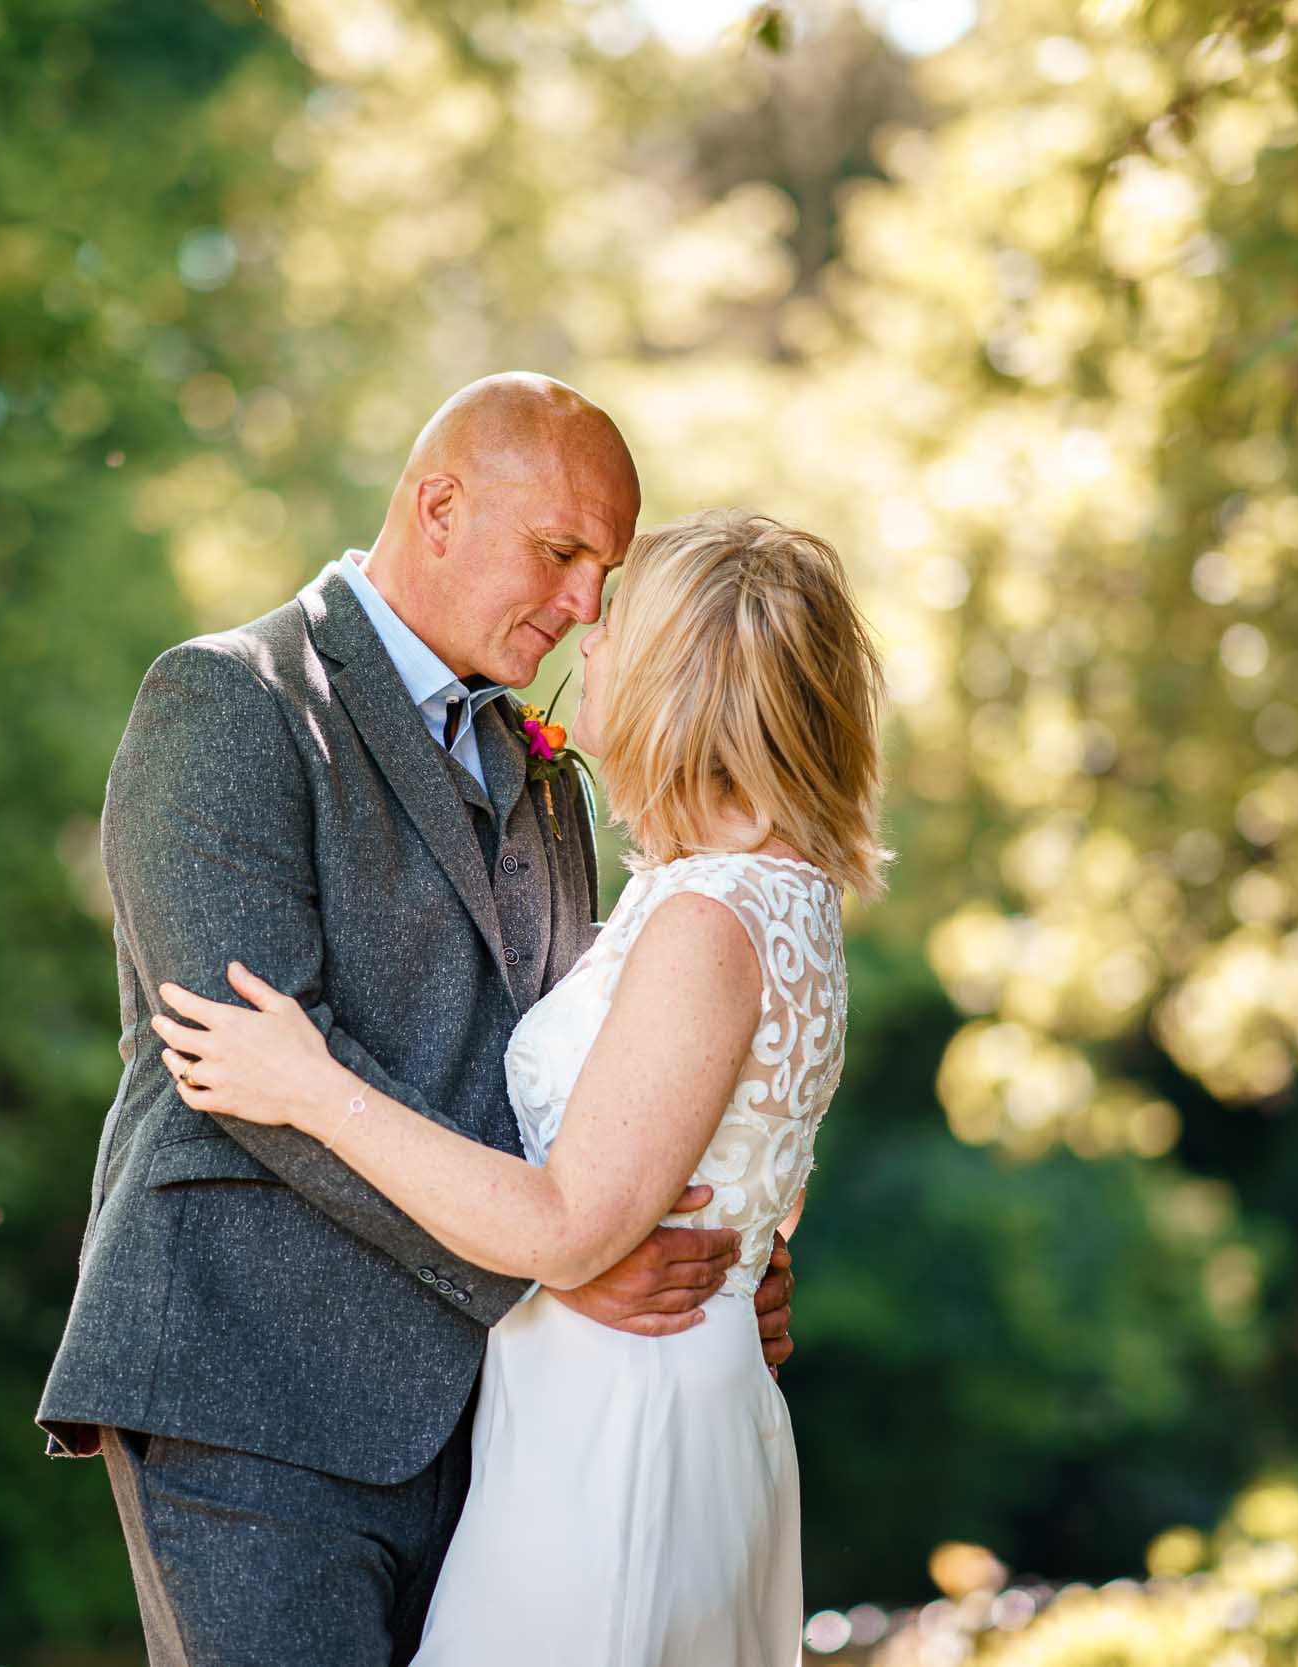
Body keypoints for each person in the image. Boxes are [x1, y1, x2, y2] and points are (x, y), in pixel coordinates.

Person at [33, 375, 798, 1667]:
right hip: (251, 1383)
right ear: (439, 506)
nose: (585, 605)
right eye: (560, 553)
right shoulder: (231, 701)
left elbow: (572, 1071)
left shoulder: (547, 773)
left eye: (606, 570)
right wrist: (564, 1256)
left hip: (496, 1408)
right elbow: (247, 1061)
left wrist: (702, 1239)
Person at [155, 508, 887, 1665]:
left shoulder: (707, 917)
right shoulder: (751, 894)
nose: (585, 630)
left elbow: (562, 1221)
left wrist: (310, 1083)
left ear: (677, 679)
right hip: (622, 1390)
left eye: (620, 622)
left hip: (619, 1421)